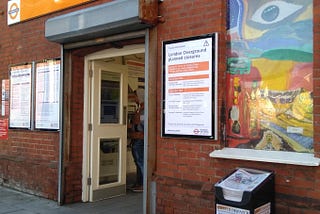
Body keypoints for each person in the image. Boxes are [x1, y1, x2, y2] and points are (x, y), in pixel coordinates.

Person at [129, 88, 145, 192]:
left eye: (135, 96)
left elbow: (143, 125)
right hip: (136, 138)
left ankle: (143, 184)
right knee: (138, 162)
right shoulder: (139, 108)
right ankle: (139, 183)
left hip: (140, 139)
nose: (134, 98)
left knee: (140, 162)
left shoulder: (144, 109)